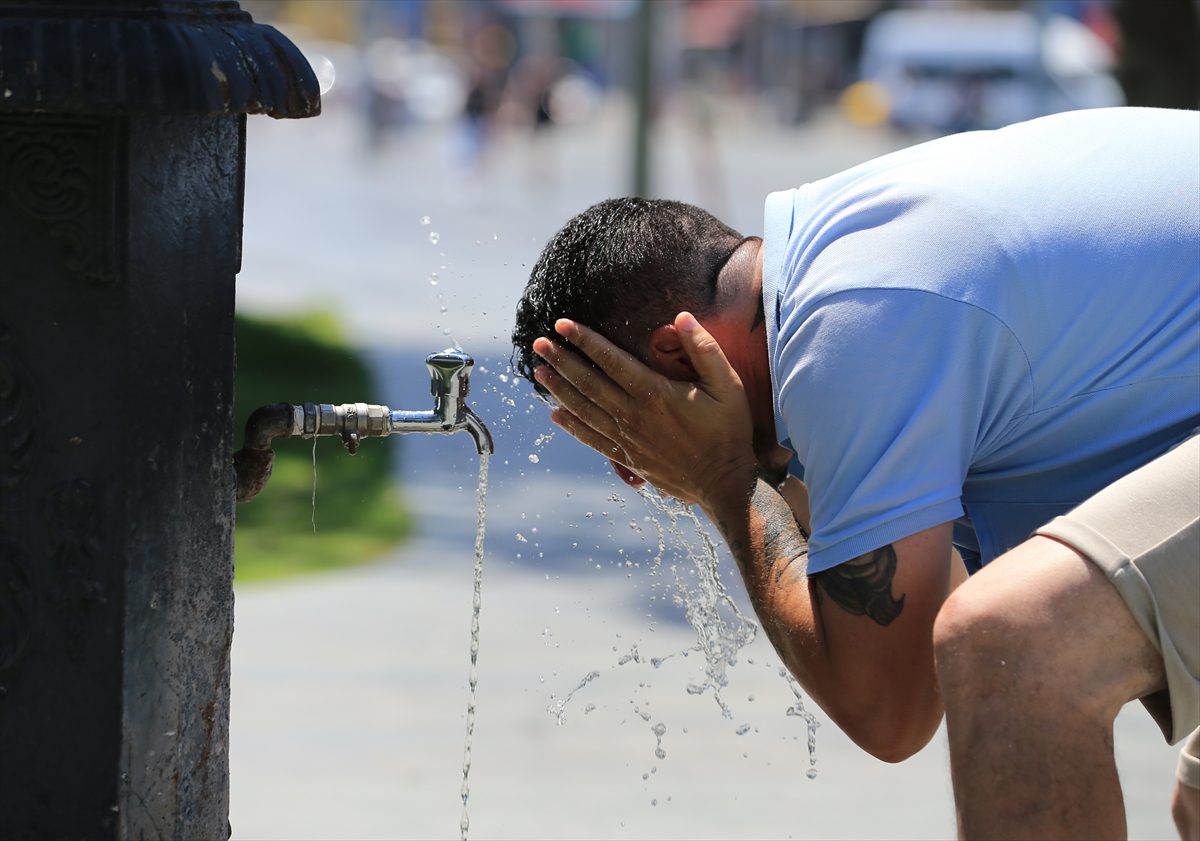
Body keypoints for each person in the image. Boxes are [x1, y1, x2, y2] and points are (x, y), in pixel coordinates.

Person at [510, 107, 1200, 840]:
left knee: (1010, 642)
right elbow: (911, 590)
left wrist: (722, 476)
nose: (634, 471)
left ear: (678, 353)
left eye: (623, 427)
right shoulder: (839, 252)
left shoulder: (848, 331)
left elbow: (891, 705)